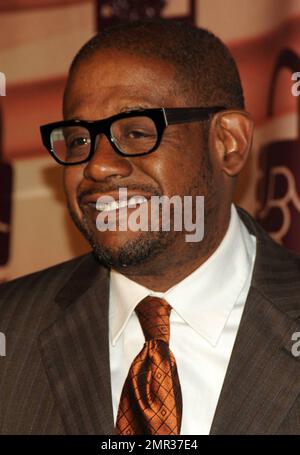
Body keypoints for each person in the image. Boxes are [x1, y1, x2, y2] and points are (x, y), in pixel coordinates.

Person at [1, 19, 300, 436]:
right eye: (79, 139)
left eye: (137, 132)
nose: (98, 166)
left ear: (228, 142)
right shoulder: (10, 330)